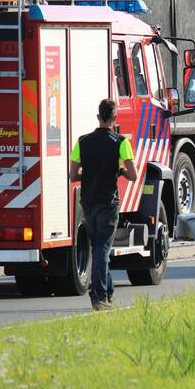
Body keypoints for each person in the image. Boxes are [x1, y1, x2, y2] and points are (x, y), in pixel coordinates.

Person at [69, 99, 138, 310]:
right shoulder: (120, 142)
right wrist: (119, 171)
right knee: (102, 248)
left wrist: (89, 172)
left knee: (98, 246)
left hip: (88, 201)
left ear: (98, 117)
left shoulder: (82, 141)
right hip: (108, 202)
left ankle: (107, 293)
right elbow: (133, 175)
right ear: (115, 118)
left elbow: (73, 176)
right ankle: (98, 295)